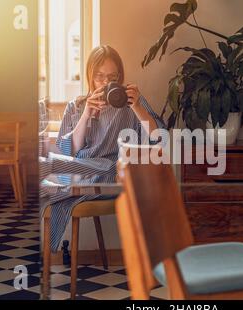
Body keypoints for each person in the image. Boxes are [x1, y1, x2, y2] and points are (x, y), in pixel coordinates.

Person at [40, 45, 165, 252]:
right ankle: (64, 186)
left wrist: (138, 108)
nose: (105, 83)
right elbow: (68, 150)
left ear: (120, 78)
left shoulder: (132, 104)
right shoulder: (77, 106)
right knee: (46, 165)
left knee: (55, 174)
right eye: (99, 77)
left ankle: (60, 187)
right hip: (80, 169)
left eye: (112, 77)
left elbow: (159, 139)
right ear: (90, 76)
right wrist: (87, 113)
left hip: (112, 172)